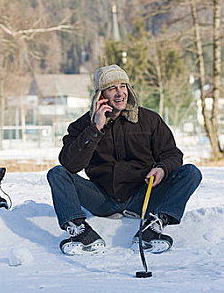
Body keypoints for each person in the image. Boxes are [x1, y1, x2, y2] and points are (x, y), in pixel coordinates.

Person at [47, 64, 202, 255]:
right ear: (100, 95)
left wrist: (162, 168)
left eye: (123, 86)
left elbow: (172, 155)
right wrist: (95, 129)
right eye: (112, 88)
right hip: (102, 200)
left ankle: (153, 228)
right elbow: (70, 165)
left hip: (143, 197)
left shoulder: (150, 120)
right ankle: (82, 233)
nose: (120, 93)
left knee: (191, 173)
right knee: (57, 173)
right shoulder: (82, 126)